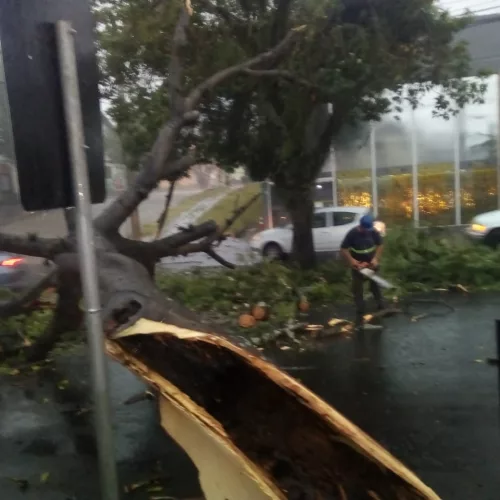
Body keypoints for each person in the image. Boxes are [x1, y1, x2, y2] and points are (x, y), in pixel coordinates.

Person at [340, 213, 384, 331]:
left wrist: (375, 259)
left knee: (375, 284)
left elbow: (380, 245)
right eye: (366, 229)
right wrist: (352, 261)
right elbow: (343, 249)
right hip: (358, 265)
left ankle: (380, 303)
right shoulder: (352, 234)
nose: (367, 231)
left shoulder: (373, 231)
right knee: (358, 287)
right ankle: (360, 309)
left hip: (371, 264)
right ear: (361, 226)